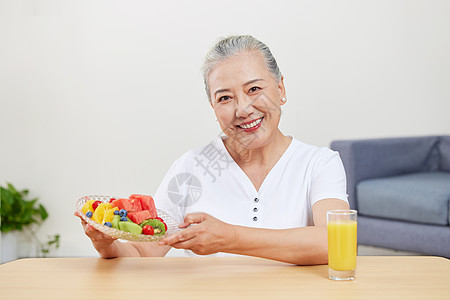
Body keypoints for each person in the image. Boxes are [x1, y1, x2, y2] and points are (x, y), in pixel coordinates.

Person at [75, 35, 349, 265]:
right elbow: (143, 252)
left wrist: (229, 238)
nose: (242, 109)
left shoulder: (319, 163)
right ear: (213, 108)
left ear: (280, 89)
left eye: (254, 89)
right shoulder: (191, 167)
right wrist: (107, 246)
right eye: (225, 98)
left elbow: (335, 242)